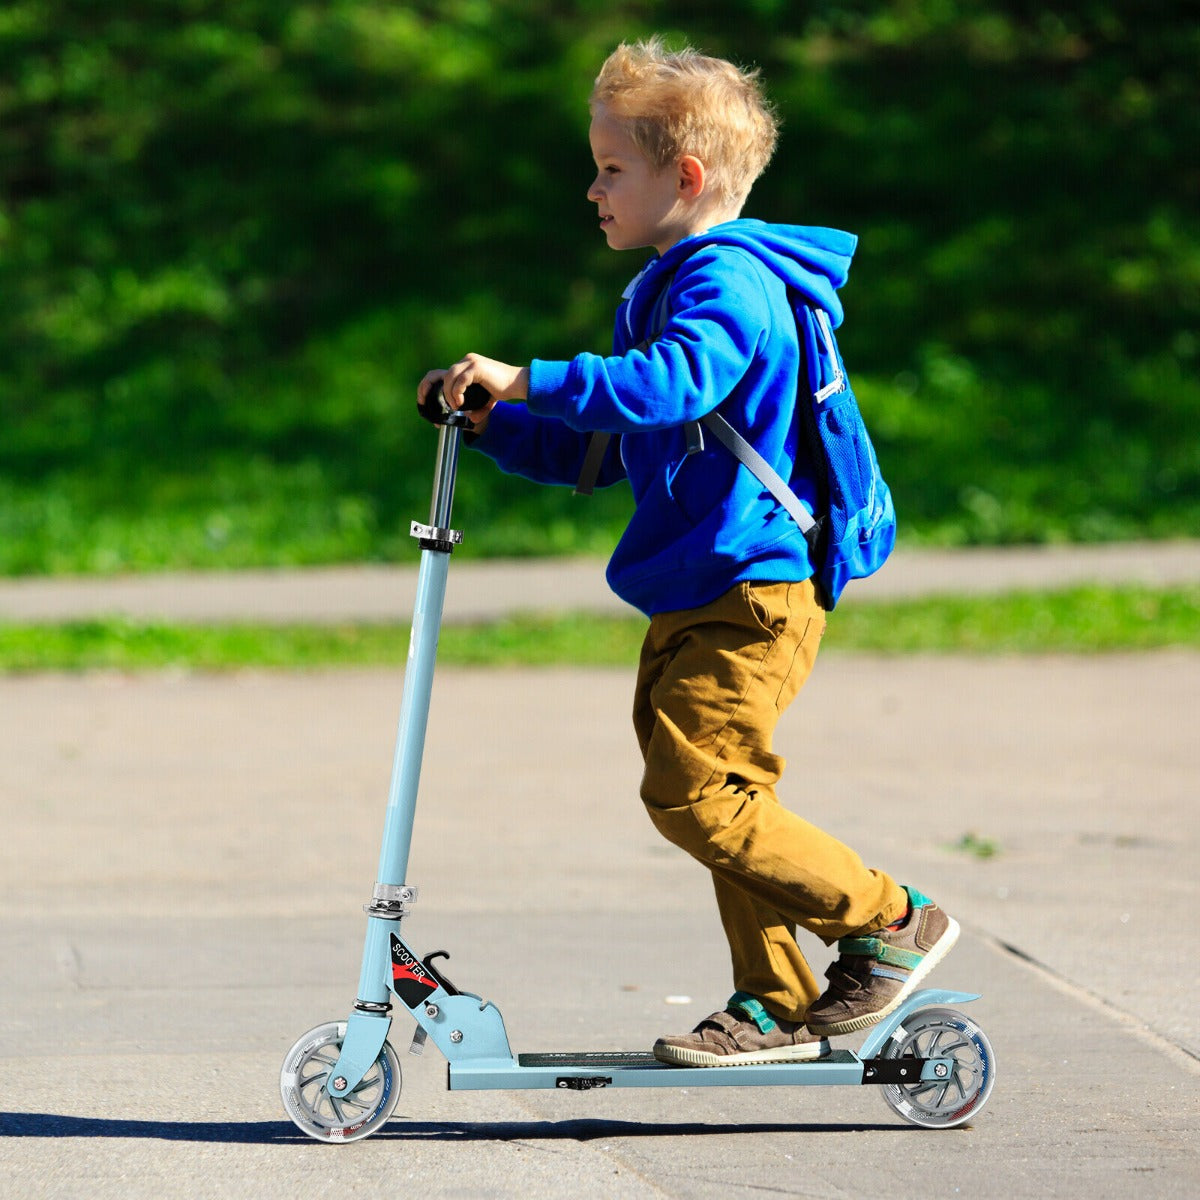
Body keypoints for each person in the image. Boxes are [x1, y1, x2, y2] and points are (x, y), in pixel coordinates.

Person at [418, 37, 957, 1067]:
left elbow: (670, 387)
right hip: (706, 583)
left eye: (612, 168)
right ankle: (778, 995)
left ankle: (890, 921)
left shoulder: (727, 285)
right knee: (718, 798)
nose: (591, 189)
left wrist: (531, 373)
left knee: (696, 795)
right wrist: (495, 421)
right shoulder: (678, 281)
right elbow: (611, 447)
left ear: (688, 177)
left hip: (756, 590)